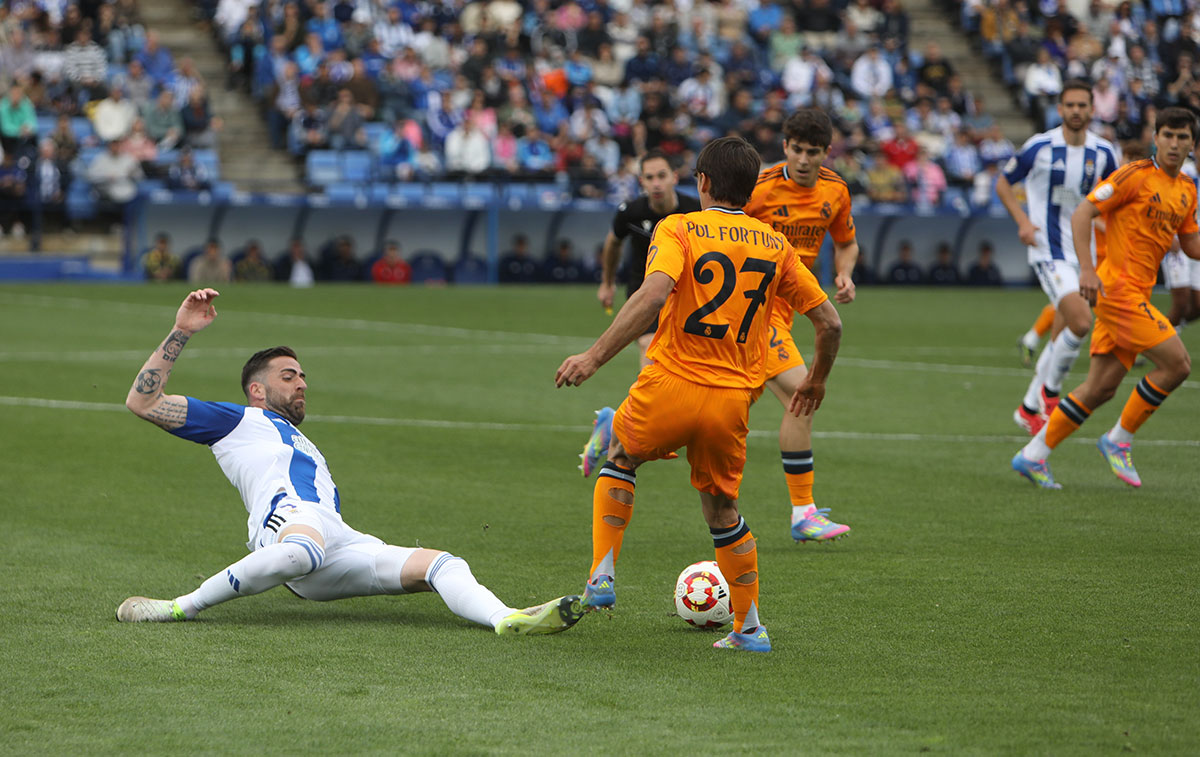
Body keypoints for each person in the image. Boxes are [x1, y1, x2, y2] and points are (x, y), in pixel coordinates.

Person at [116, 289, 585, 637]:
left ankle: (506, 618)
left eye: (303, 376)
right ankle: (179, 607)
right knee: (303, 549)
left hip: (336, 538)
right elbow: (143, 402)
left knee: (441, 564)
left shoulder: (302, 441)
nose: (302, 383)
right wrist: (182, 331)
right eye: (288, 376)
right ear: (257, 390)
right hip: (286, 526)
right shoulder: (239, 420)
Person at [554, 137, 842, 652]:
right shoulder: (775, 244)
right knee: (722, 511)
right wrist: (816, 379)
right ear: (751, 189)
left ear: (702, 182)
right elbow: (830, 322)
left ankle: (601, 576)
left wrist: (594, 357)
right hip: (731, 400)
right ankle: (749, 629)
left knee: (620, 458)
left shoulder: (679, 228)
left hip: (670, 381)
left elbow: (652, 295)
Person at [1012, 108, 1200, 489]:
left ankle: (1032, 455)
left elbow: (1191, 244)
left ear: (1192, 144)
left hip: (1137, 293)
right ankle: (1118, 439)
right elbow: (1083, 213)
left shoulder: (1186, 189)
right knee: (1178, 364)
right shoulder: (1134, 176)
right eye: (1168, 135)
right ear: (1155, 138)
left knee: (1100, 388)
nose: (1174, 144)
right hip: (1116, 292)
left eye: (1182, 137)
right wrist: (1086, 269)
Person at [741, 108, 859, 541]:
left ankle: (620, 430)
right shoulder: (760, 188)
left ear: (826, 152)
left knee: (712, 412)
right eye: (797, 150)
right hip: (753, 309)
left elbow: (847, 242)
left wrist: (844, 273)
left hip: (786, 312)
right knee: (802, 394)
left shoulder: (836, 190)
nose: (804, 160)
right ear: (784, 147)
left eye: (813, 152)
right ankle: (803, 512)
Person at [994, 81, 1119, 436]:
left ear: (1092, 109)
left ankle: (1028, 408)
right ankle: (1050, 394)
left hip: (1084, 254)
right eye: (1070, 105)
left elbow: (1115, 200)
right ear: (1060, 109)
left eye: (1082, 105)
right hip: (1048, 250)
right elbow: (1003, 183)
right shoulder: (1040, 147)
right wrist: (1023, 222)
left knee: (1062, 332)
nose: (1076, 111)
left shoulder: (1104, 152)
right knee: (1081, 322)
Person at [577, 150, 701, 476]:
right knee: (650, 357)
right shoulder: (630, 212)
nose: (656, 183)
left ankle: (615, 423)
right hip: (644, 296)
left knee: (680, 375)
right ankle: (627, 433)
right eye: (649, 177)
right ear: (641, 181)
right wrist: (607, 282)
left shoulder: (695, 211)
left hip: (685, 300)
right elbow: (613, 244)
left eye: (661, 176)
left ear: (674, 177)